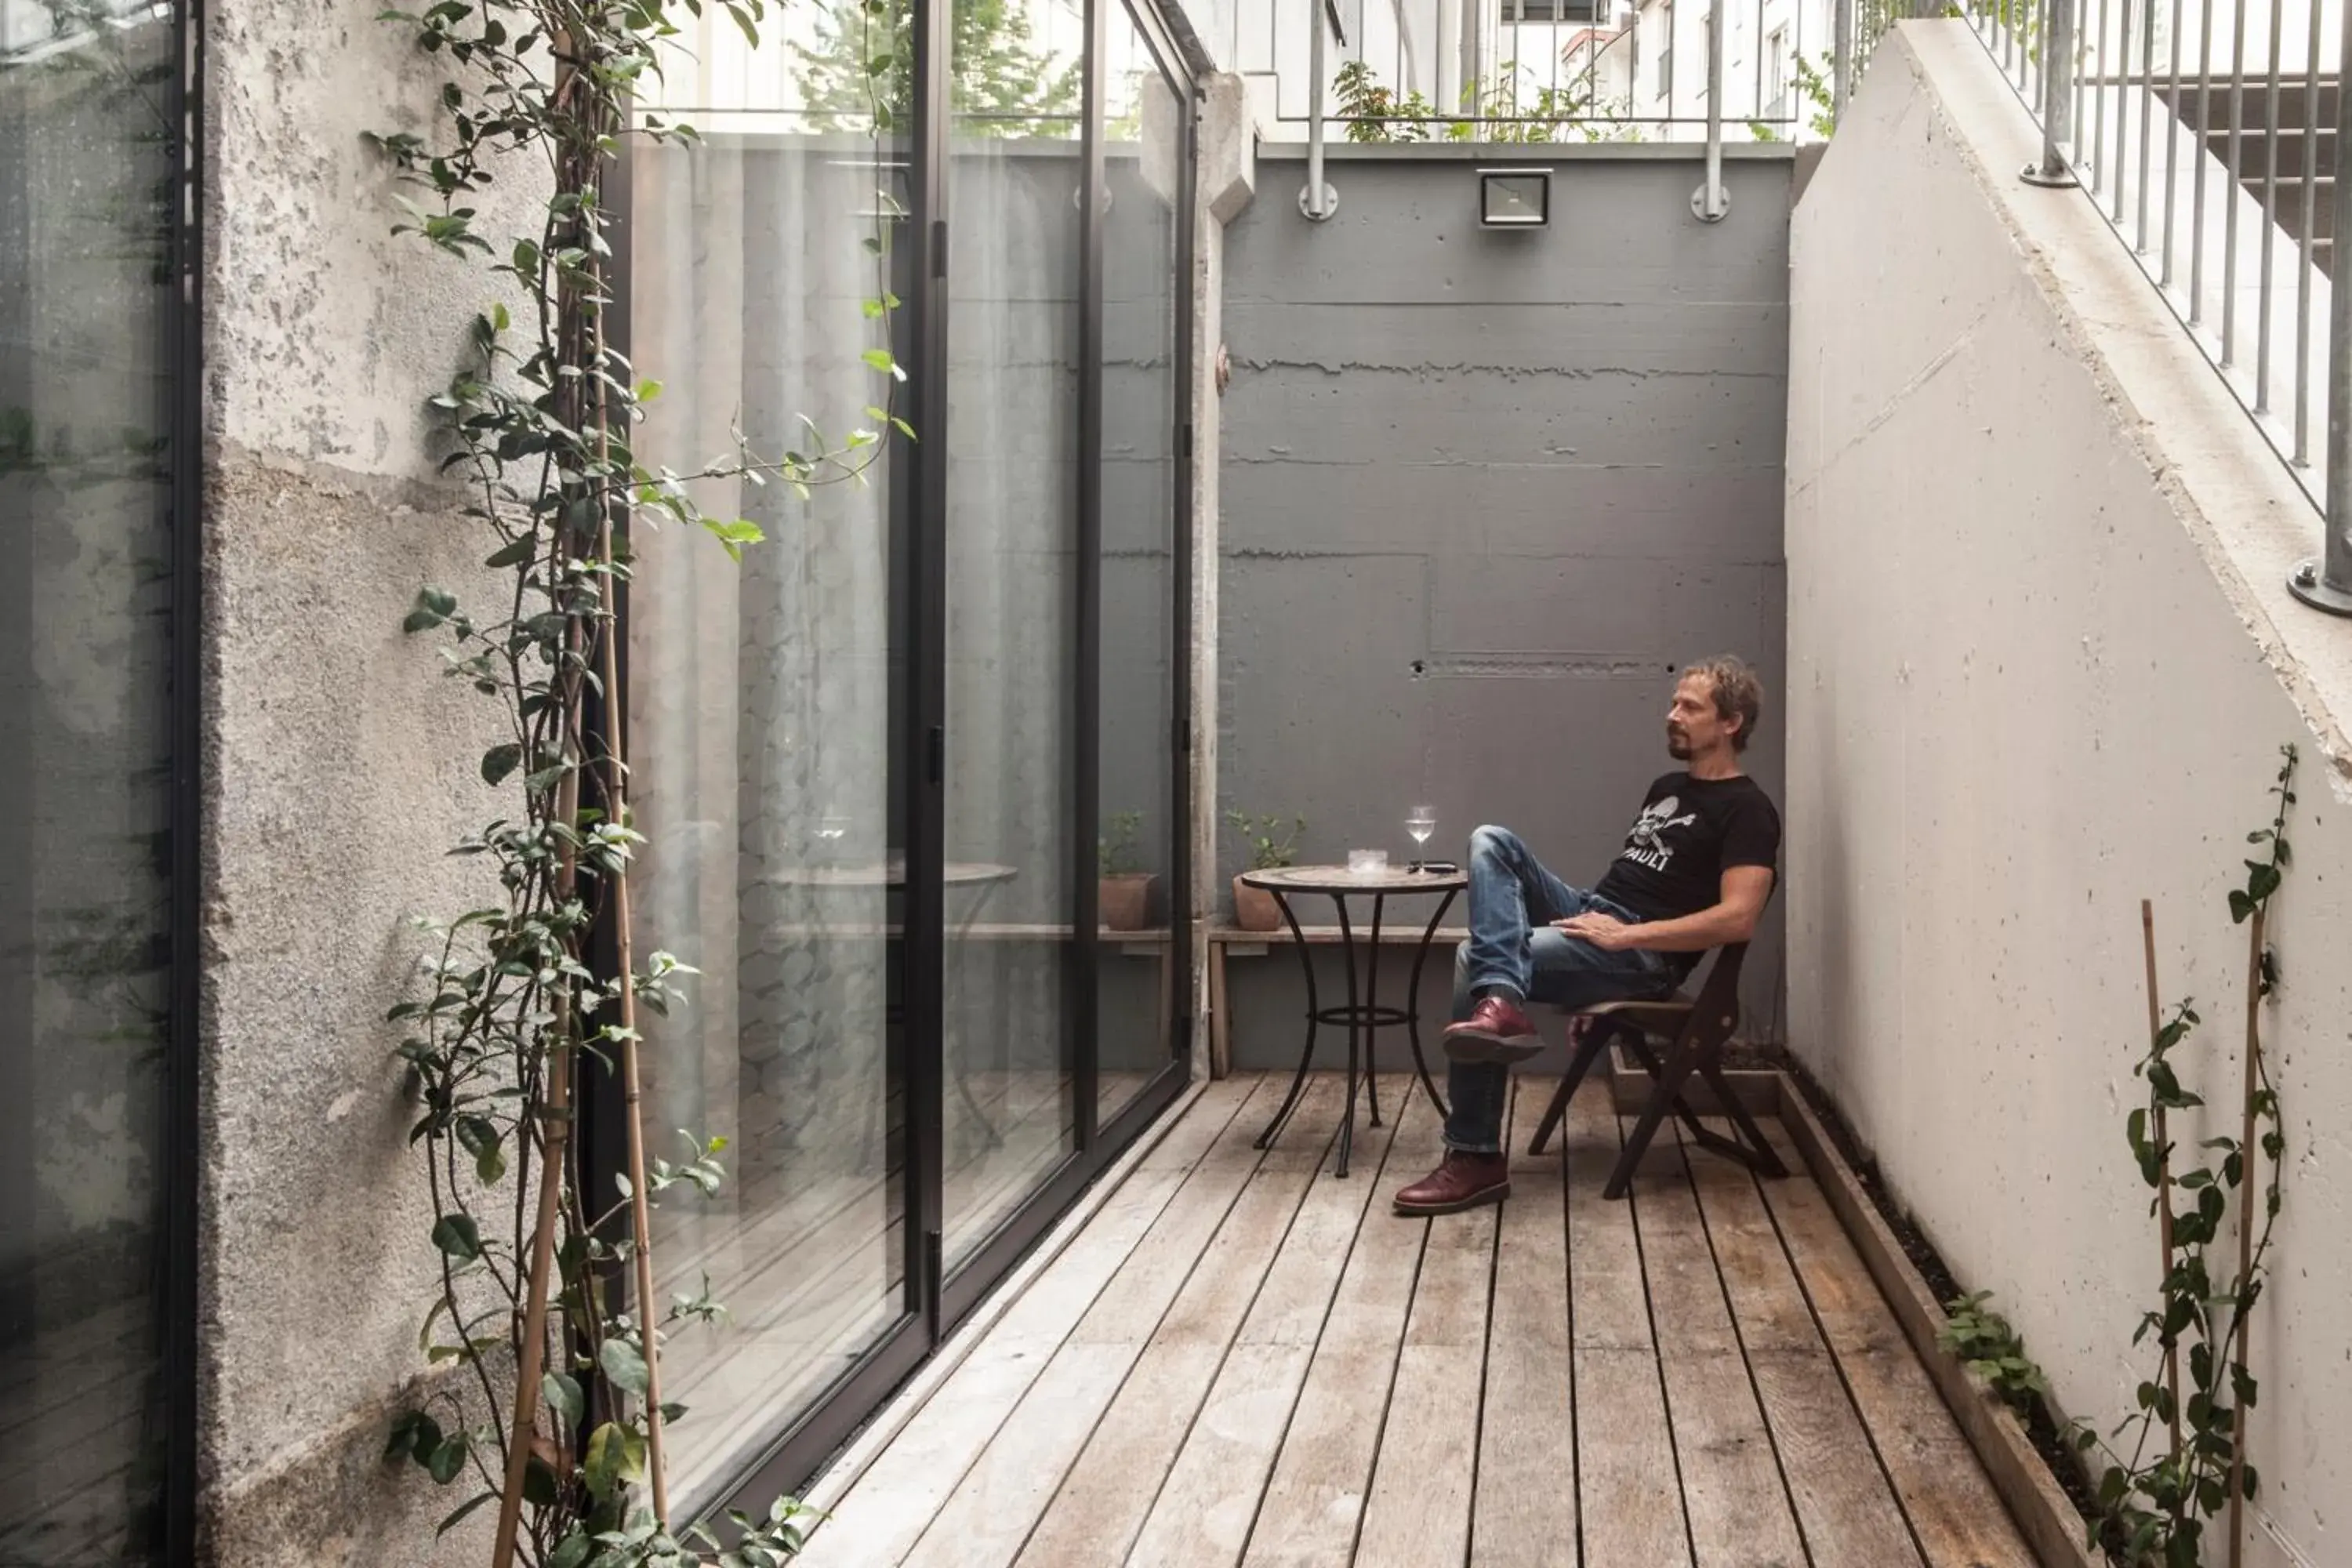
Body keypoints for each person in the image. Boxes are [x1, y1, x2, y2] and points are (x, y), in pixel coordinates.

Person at [1391, 655, 1780, 1217]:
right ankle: (1502, 1001)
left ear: (1731, 723)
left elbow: (1739, 918)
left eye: (1690, 707)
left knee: (1473, 955)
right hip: (1598, 916)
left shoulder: (1749, 810)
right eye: (1674, 702)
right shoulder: (1667, 786)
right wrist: (1585, 963)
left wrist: (1626, 939)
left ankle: (1474, 1156)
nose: (1672, 715)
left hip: (1644, 955)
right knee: (1490, 840)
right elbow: (1634, 878)